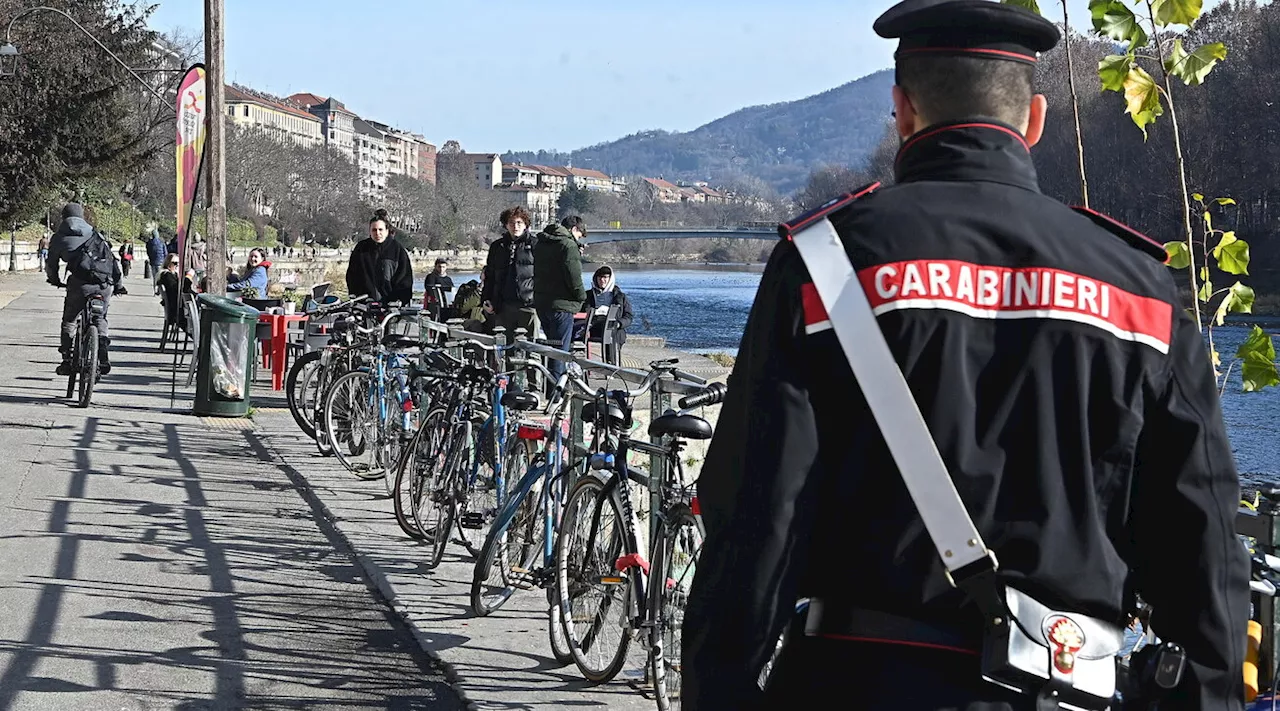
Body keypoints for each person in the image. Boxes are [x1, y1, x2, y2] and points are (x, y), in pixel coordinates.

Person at [682, 2, 1249, 710]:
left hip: (857, 683)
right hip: (1066, 687)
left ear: (903, 111)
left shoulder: (825, 267)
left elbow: (757, 524)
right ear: (1035, 121)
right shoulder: (1141, 290)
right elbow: (1206, 552)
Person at [45, 203, 125, 376]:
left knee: (70, 320)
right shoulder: (95, 234)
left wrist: (55, 280)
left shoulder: (59, 237)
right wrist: (118, 286)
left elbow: (51, 264)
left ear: (64, 217)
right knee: (100, 317)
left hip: (79, 285)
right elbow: (111, 260)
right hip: (103, 285)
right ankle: (102, 348)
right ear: (82, 216)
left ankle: (66, 359)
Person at [533, 215, 588, 380]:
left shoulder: (542, 243)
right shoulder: (568, 246)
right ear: (574, 229)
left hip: (542, 302)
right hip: (562, 305)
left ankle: (550, 387)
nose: (578, 240)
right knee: (561, 352)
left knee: (551, 348)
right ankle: (556, 393)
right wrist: (581, 297)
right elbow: (574, 278)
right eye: (579, 236)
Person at [481, 207, 538, 342]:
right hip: (503, 305)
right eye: (511, 223)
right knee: (504, 346)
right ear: (506, 225)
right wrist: (486, 299)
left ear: (525, 225)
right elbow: (490, 276)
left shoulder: (535, 244)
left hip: (528, 304)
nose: (515, 226)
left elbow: (544, 276)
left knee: (531, 346)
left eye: (519, 223)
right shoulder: (497, 247)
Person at [345, 215, 414, 305]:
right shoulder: (361, 249)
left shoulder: (397, 249)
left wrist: (400, 299)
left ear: (387, 231)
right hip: (365, 302)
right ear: (370, 231)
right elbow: (352, 275)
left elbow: (405, 277)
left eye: (380, 229)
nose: (377, 233)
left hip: (391, 304)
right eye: (374, 230)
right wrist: (354, 294)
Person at [574, 265, 633, 361]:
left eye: (605, 277)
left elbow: (629, 316)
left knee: (611, 332)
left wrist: (619, 323)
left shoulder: (620, 297)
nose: (602, 280)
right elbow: (579, 311)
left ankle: (610, 364)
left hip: (614, 327)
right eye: (600, 277)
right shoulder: (588, 295)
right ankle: (577, 362)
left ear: (610, 279)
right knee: (575, 331)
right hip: (592, 326)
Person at [145, 228, 167, 294]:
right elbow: (165, 253)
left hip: (153, 262)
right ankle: (159, 291)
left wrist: (150, 258)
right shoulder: (162, 243)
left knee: (154, 277)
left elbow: (148, 252)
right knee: (160, 277)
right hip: (161, 262)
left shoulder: (149, 243)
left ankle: (155, 290)